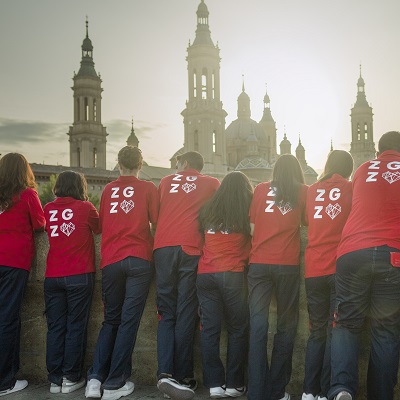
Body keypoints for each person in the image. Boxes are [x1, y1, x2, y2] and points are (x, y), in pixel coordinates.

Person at [328, 131, 400, 400]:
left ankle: (342, 389)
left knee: (346, 323)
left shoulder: (362, 169)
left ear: (378, 151)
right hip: (393, 254)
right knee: (386, 329)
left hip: (352, 252)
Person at [85, 146, 159, 400]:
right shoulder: (148, 188)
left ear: (118, 164)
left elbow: (103, 224)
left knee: (110, 320)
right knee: (128, 321)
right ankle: (115, 383)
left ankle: (95, 379)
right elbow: (156, 223)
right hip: (138, 259)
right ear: (141, 165)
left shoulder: (107, 190)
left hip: (112, 260)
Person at [154, 151, 220, 400]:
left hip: (162, 248)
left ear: (185, 164)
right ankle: (183, 377)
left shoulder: (165, 181)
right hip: (190, 247)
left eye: (178, 163)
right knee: (186, 311)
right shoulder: (211, 183)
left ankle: (164, 374)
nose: (176, 166)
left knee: (165, 313)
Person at [247, 154, 308, 400]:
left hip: (259, 263)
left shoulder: (261, 189)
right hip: (287, 264)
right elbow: (306, 224)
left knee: (258, 326)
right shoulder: (303, 191)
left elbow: (251, 228)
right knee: (285, 327)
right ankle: (277, 390)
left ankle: (256, 391)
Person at [301, 151, 353, 400]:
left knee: (316, 331)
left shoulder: (312, 190)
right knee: (335, 330)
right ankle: (326, 391)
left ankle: (309, 391)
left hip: (313, 268)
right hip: (337, 267)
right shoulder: (350, 187)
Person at [196, 171, 253, 398]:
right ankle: (234, 384)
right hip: (233, 274)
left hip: (206, 274)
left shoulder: (208, 209)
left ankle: (214, 384)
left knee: (209, 330)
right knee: (238, 329)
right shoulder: (245, 209)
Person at [43, 171, 100, 394]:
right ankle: (71, 377)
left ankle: (55, 380)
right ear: (80, 187)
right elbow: (98, 229)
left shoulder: (48, 208)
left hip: (52, 276)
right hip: (79, 274)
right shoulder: (86, 208)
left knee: (55, 328)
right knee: (75, 327)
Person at [0, 153, 45, 397]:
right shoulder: (27, 195)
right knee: (7, 319)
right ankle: (5, 381)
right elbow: (40, 223)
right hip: (13, 262)